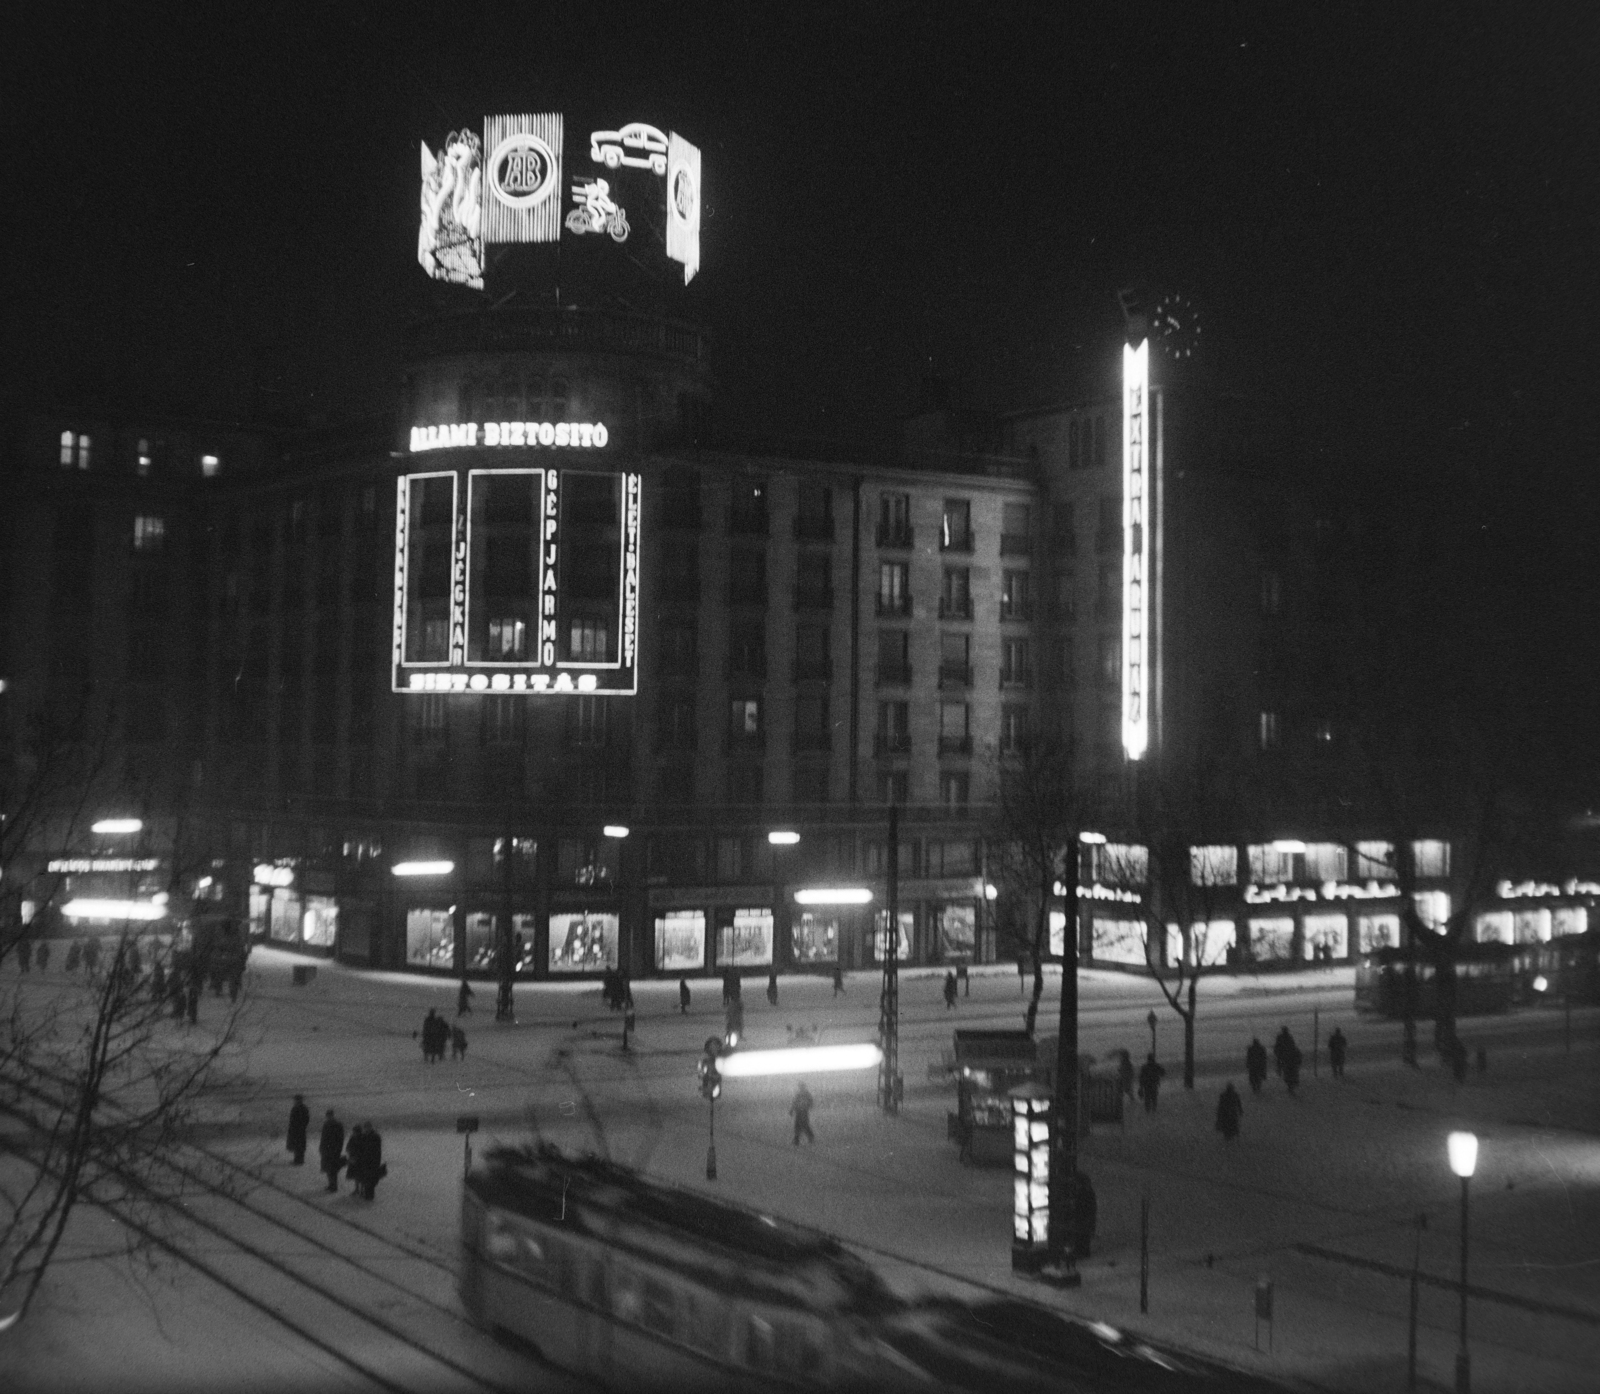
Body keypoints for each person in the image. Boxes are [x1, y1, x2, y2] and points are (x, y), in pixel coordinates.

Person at [1071, 1170, 1098, 1258]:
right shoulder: (1088, 1192)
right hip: (1085, 1219)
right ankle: (1083, 1252)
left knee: (1081, 1235)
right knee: (1083, 1235)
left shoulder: (1084, 1193)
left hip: (1082, 1218)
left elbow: (1086, 1207)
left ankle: (1081, 1252)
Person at [319, 1110, 346, 1193]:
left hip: (334, 1150)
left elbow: (340, 1138)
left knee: (333, 1169)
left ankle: (334, 1186)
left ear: (332, 1116)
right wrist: (321, 1147)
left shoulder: (337, 1125)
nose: (328, 1117)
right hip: (326, 1150)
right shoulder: (326, 1124)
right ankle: (331, 1184)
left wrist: (338, 1149)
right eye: (328, 1116)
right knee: (327, 1168)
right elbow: (323, 1137)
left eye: (329, 1116)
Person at [287, 1094, 310, 1165]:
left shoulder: (297, 1108)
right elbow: (307, 1119)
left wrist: (296, 1127)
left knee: (297, 1145)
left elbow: (293, 1120)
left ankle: (298, 1160)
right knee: (299, 1145)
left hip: (297, 1130)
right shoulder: (304, 1108)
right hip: (300, 1130)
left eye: (295, 1100)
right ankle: (299, 1159)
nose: (294, 1101)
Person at [790, 1081, 815, 1146]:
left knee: (803, 1125)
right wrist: (792, 1109)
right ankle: (798, 1139)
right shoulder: (802, 1094)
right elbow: (794, 1102)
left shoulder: (804, 1094)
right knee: (800, 1125)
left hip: (803, 1111)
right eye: (800, 1086)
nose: (800, 1088)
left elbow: (795, 1102)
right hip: (800, 1111)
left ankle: (799, 1139)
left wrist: (792, 1110)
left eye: (801, 1086)